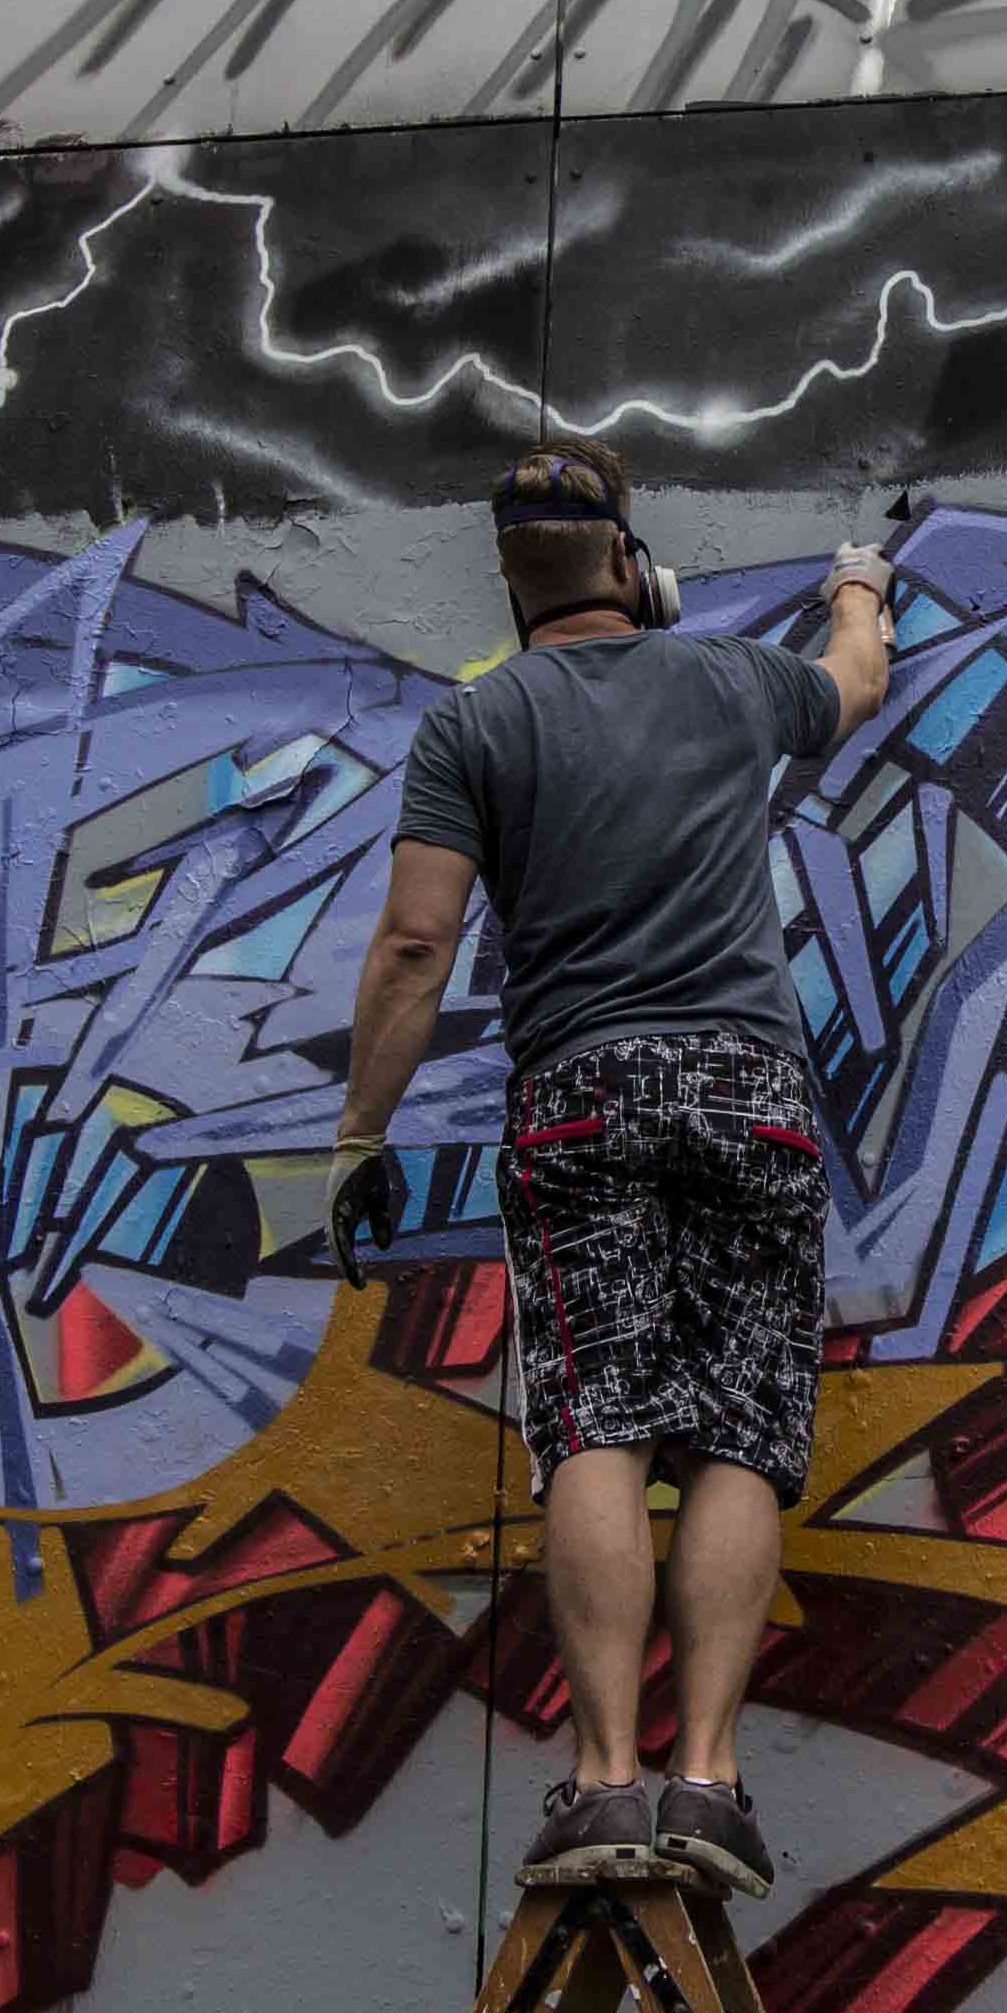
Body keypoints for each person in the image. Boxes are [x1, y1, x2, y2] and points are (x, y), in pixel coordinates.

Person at [326, 441, 892, 1896]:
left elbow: (413, 943)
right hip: (745, 1088)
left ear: (515, 588)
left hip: (578, 1094)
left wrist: (360, 1135)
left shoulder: (476, 725)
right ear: (637, 569)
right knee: (743, 1433)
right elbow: (852, 688)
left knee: (598, 1428)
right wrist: (856, 590)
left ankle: (603, 1783)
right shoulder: (725, 679)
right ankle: (706, 1782)